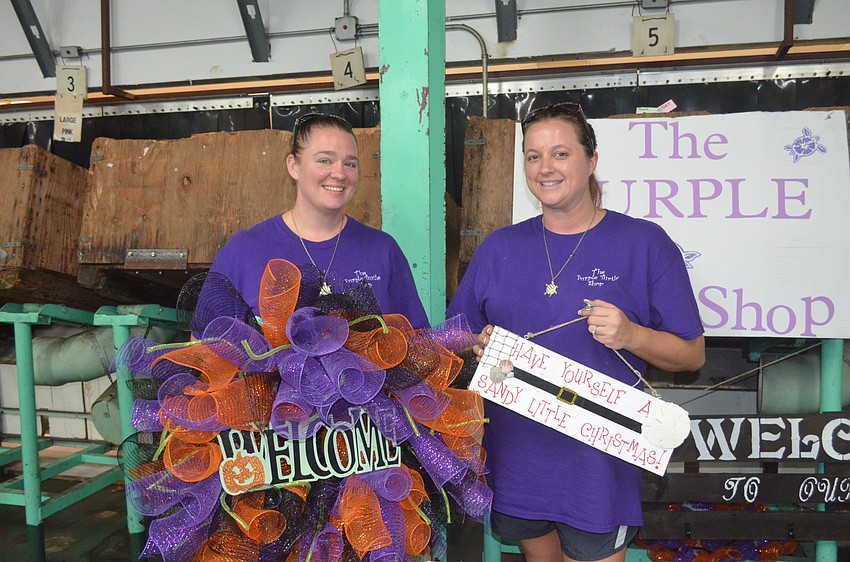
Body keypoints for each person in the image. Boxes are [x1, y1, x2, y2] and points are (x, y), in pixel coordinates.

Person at [447, 102, 705, 562]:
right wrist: (474, 345)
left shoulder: (644, 244)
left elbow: (692, 355)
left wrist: (630, 335)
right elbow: (453, 341)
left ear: (592, 160)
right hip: (517, 456)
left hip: (599, 466)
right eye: (533, 156)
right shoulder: (499, 248)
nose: (545, 168)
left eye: (560, 153)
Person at [210, 113, 429, 329]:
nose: (340, 174)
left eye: (350, 164)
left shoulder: (383, 250)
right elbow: (206, 346)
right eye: (325, 160)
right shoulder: (243, 251)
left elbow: (418, 344)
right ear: (294, 166)